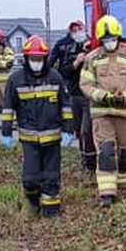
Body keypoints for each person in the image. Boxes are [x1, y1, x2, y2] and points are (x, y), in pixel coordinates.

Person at [0, 35, 73, 217]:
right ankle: (33, 202)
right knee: (30, 179)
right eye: (33, 59)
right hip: (29, 140)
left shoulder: (55, 78)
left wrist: (68, 130)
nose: (36, 62)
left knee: (51, 177)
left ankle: (51, 213)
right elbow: (8, 108)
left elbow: (65, 106)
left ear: (45, 59)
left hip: (53, 139)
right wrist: (6, 132)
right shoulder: (16, 80)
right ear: (26, 59)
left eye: (39, 59)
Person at [79, 15, 126, 207]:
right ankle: (107, 193)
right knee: (106, 151)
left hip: (124, 113)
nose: (110, 42)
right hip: (102, 113)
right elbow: (85, 84)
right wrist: (102, 95)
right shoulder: (92, 59)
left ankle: (122, 182)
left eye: (112, 38)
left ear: (118, 37)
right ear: (100, 40)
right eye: (106, 39)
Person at [50, 20, 96, 172]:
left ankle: (91, 163)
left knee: (86, 130)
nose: (78, 32)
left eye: (80, 29)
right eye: (74, 29)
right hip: (73, 94)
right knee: (78, 131)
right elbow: (62, 70)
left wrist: (88, 55)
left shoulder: (92, 45)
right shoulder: (64, 45)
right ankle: (84, 160)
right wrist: (76, 62)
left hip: (89, 95)